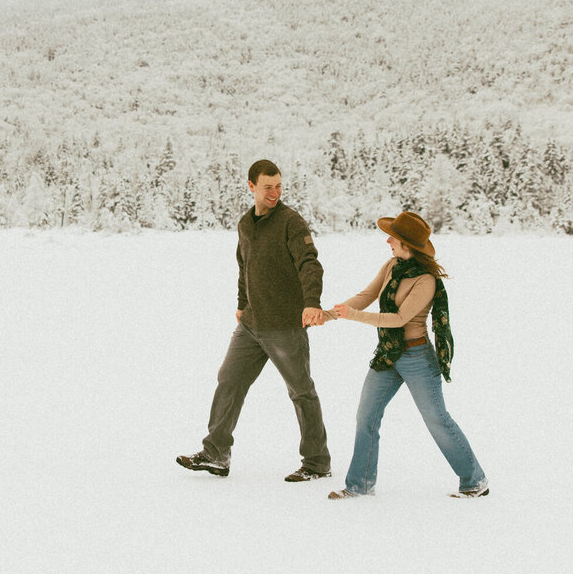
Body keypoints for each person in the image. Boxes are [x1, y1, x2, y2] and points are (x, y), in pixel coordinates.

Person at [176, 159, 331, 482]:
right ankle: (216, 452)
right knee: (229, 379)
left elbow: (309, 264)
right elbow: (243, 266)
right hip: (250, 324)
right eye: (267, 187)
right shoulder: (246, 224)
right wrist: (242, 304)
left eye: (278, 186)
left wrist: (311, 303)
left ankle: (317, 462)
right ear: (251, 187)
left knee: (301, 391)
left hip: (285, 324)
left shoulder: (291, 222)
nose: (274, 192)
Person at [324, 211, 488, 499]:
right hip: (388, 355)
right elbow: (366, 295)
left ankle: (474, 480)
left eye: (394, 238)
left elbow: (399, 319)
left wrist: (355, 317)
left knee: (437, 420)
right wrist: (331, 314)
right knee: (367, 417)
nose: (388, 241)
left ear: (407, 245)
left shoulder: (426, 281)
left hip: (416, 358)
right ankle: (359, 485)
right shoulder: (392, 265)